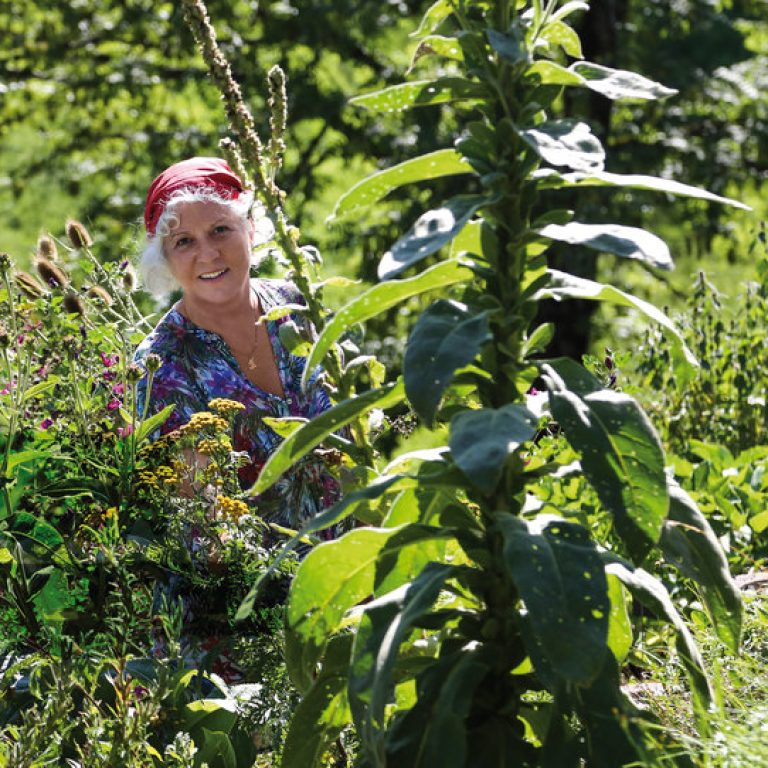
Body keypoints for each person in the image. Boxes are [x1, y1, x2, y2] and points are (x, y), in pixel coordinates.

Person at [133, 157, 342, 677]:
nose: (208, 252)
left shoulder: (296, 307)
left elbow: (356, 430)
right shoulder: (162, 365)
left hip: (344, 585)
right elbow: (202, 527)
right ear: (166, 260)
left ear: (250, 228)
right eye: (184, 242)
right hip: (240, 629)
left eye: (221, 229)